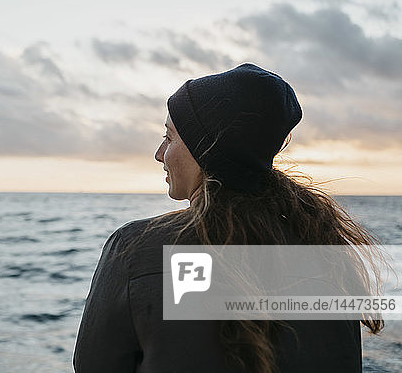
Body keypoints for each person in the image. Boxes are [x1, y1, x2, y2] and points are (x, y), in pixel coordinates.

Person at [73, 63, 383, 373]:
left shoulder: (136, 250)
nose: (159, 153)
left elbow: (94, 366)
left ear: (203, 149)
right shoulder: (324, 251)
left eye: (169, 138)